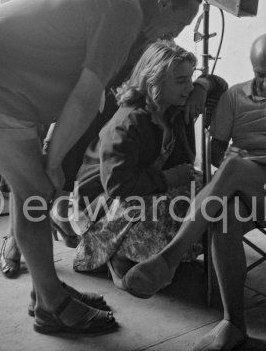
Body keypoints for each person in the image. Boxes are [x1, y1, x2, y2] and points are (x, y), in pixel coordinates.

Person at [0, 0, 202, 336]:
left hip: (1, 80)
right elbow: (84, 95)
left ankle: (44, 292)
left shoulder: (123, 1)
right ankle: (52, 307)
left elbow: (83, 90)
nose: (175, 33)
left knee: (29, 191)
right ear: (163, 2)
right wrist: (54, 158)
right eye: (179, 21)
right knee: (36, 193)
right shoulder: (125, 10)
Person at [121, 33, 266, 351]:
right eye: (260, 74)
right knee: (225, 218)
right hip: (246, 186)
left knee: (232, 168)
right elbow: (216, 150)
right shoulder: (235, 97)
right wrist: (247, 165)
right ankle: (233, 323)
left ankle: (169, 259)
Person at [0, 0, 134, 278]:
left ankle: (48, 216)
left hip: (74, 67)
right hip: (36, 62)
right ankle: (14, 238)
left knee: (66, 150)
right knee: (27, 158)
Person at [70, 40, 227, 280]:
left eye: (190, 78)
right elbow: (118, 187)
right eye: (181, 81)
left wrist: (202, 86)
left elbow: (220, 85)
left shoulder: (174, 109)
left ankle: (162, 253)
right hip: (102, 204)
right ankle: (121, 255)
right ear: (155, 82)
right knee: (173, 205)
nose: (189, 87)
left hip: (144, 188)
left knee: (210, 192)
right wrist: (168, 178)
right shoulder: (127, 124)